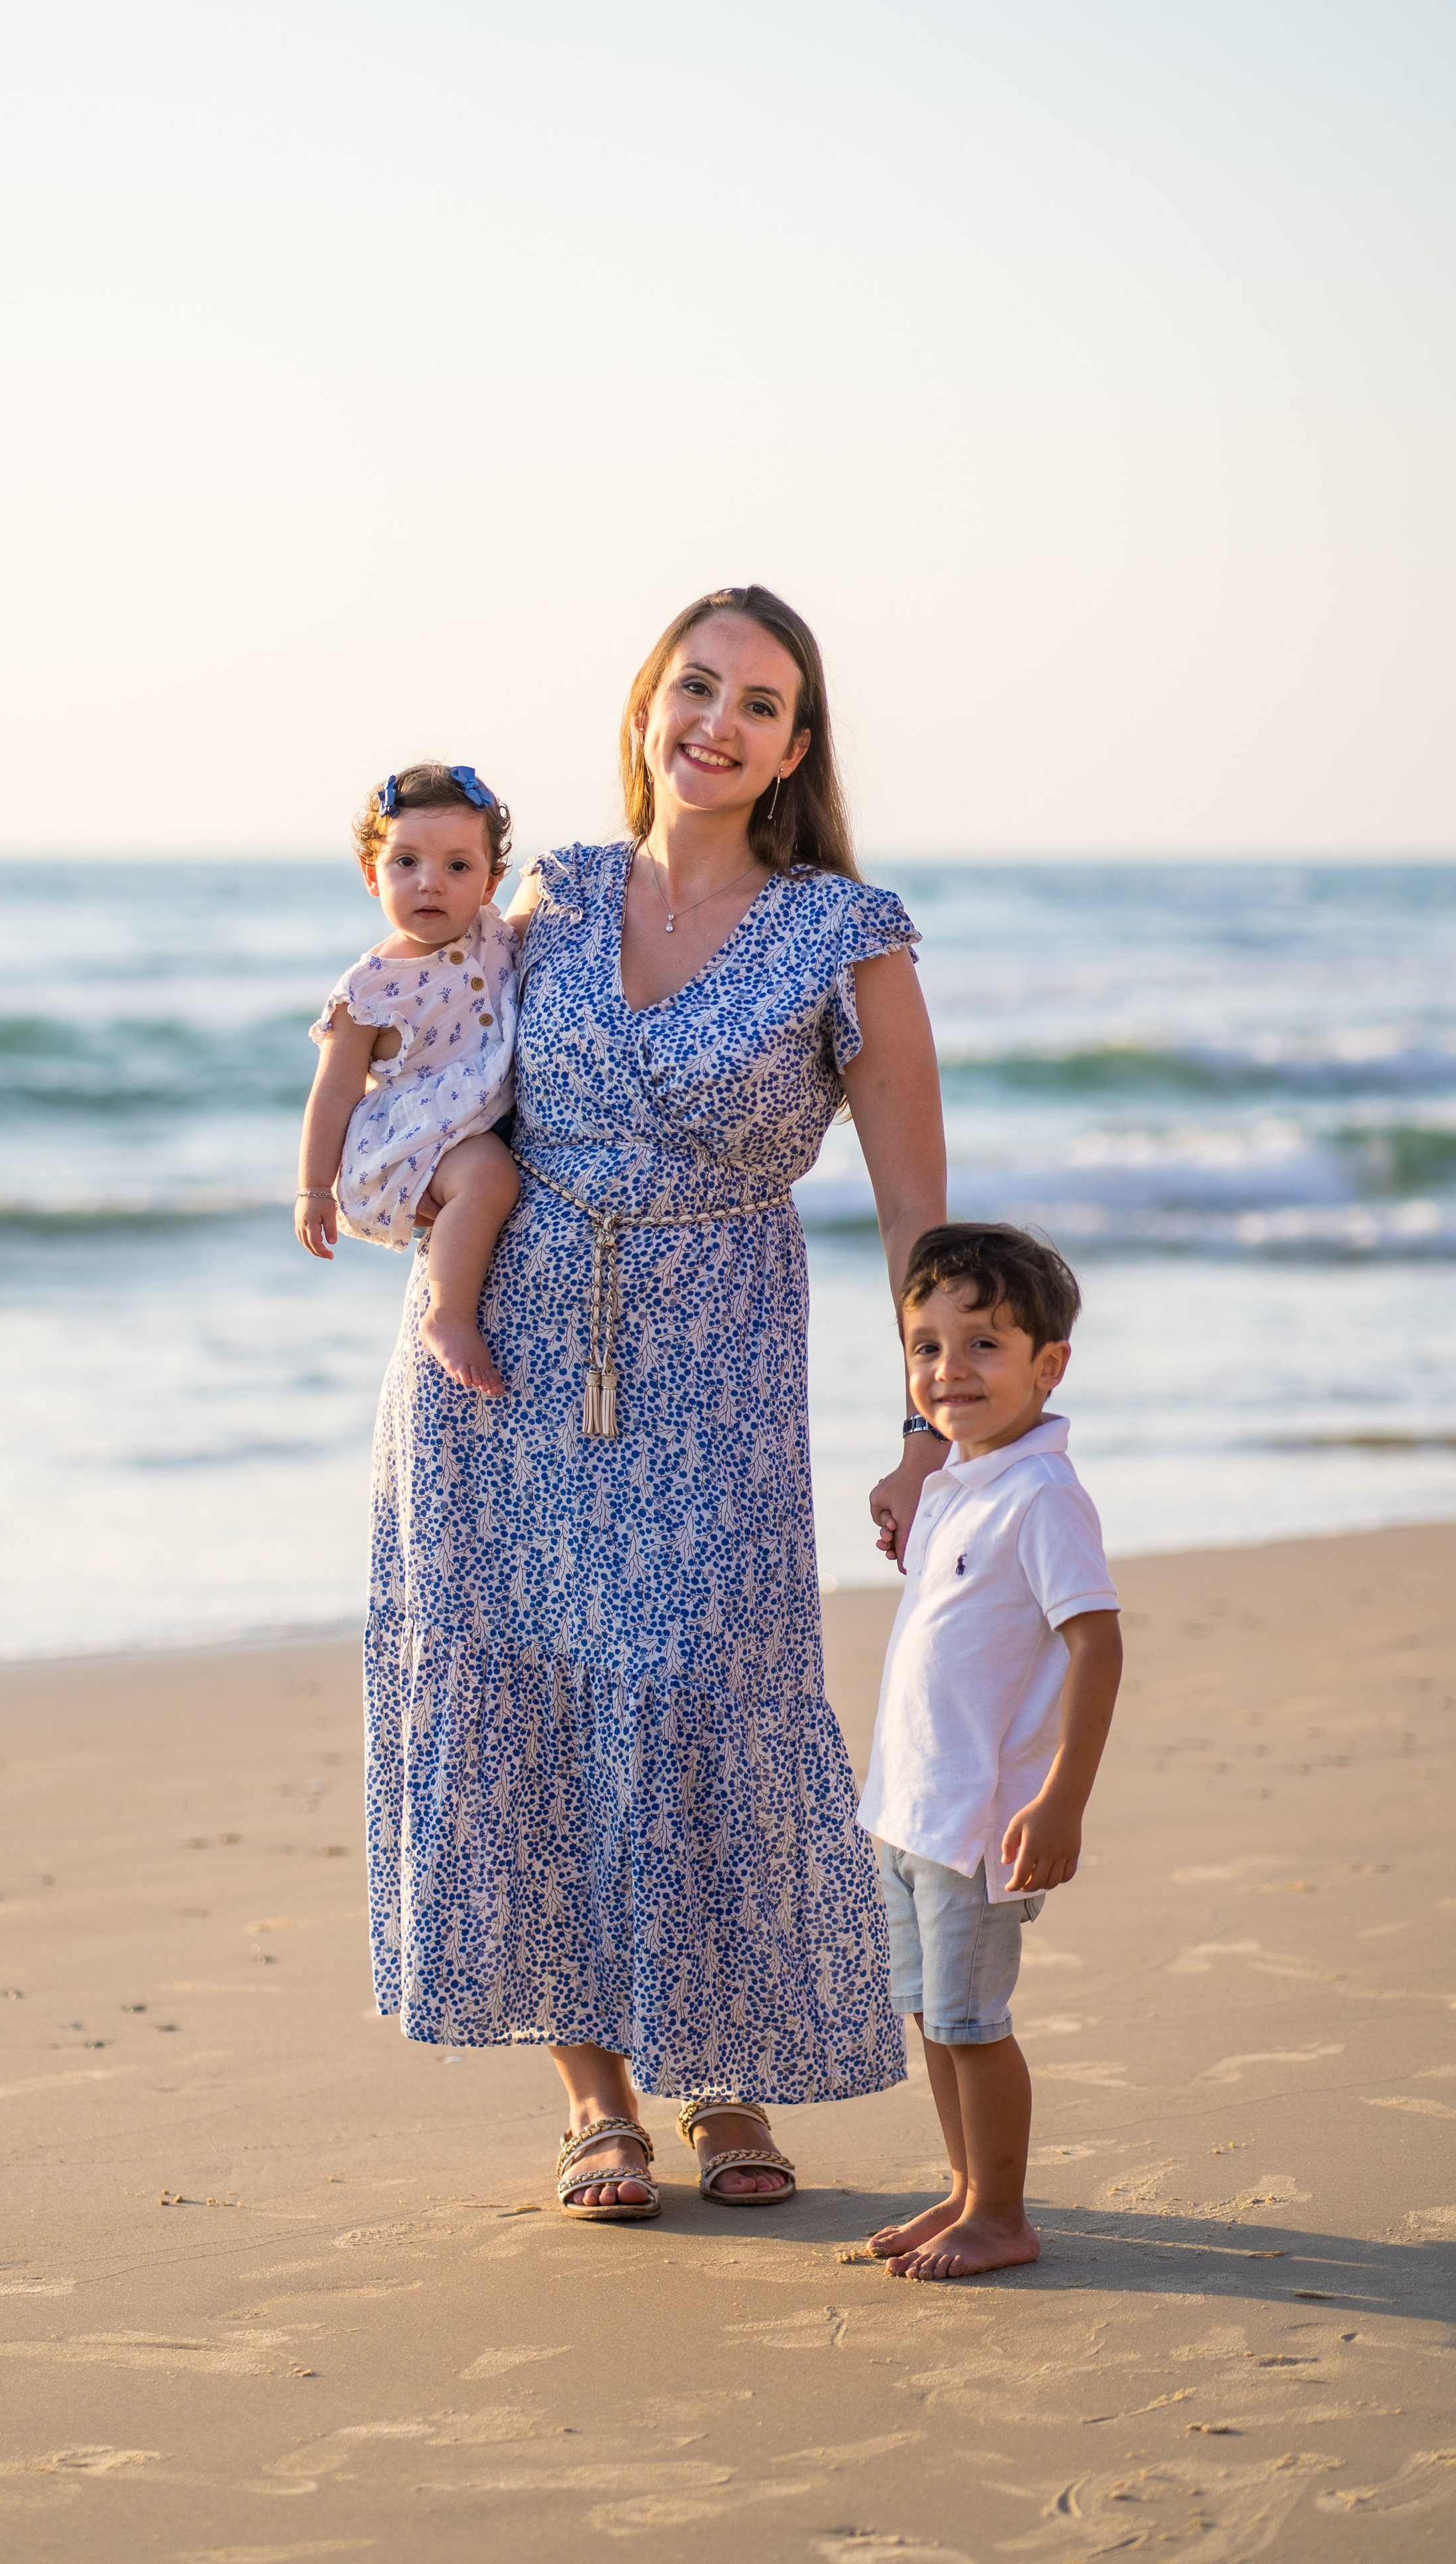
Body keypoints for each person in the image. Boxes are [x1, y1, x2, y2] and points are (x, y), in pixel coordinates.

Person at [362, 586, 949, 2219]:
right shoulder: (535, 898)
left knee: (710, 1679)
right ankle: (591, 2098)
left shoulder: (844, 929)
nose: (718, 720)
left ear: (792, 748)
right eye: (694, 686)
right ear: (640, 708)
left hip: (718, 1345)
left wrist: (926, 1423)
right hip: (500, 1362)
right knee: (522, 1684)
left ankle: (726, 2072)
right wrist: (421, 1206)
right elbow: (413, 1059)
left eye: (758, 703)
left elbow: (915, 1198)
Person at [856, 1223, 1124, 2278]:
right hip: (911, 1810)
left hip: (981, 1821)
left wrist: (1062, 1801)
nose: (948, 1371)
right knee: (933, 2016)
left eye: (983, 1346)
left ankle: (1004, 2214)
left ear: (1047, 1365)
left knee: (975, 2022)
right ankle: (966, 2189)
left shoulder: (1044, 1498)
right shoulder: (956, 1485)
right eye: (926, 1346)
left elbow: (1096, 1646)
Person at [294, 763, 523, 1394]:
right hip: (419, 1134)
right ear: (373, 875)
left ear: (488, 883)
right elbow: (335, 1091)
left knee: (494, 1168)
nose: (430, 883)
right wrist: (315, 1188)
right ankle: (447, 1314)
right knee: (490, 1176)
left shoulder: (493, 934)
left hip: (475, 1116)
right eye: (406, 864)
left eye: (457, 866)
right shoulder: (369, 990)